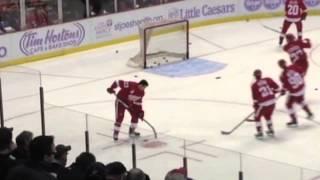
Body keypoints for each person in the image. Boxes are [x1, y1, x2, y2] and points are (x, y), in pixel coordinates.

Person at [278, 59, 313, 126]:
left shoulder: (282, 75)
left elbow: (286, 86)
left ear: (280, 66)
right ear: (285, 63)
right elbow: (302, 73)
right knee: (300, 100)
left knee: (288, 104)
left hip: (295, 92)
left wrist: (283, 91)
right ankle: (309, 113)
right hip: (302, 87)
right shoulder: (293, 66)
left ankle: (294, 120)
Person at [251, 69, 280, 138]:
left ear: (255, 76)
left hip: (263, 104)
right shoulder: (268, 79)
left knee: (257, 117)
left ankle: (260, 132)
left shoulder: (254, 85)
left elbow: (255, 99)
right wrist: (273, 92)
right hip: (273, 102)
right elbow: (277, 89)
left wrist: (255, 106)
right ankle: (271, 130)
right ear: (261, 74)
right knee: (268, 115)